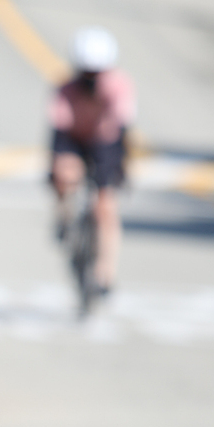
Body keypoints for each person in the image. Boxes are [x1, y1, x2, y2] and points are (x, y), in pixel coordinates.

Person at [48, 27, 136, 299]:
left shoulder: (119, 87)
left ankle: (104, 273)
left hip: (106, 143)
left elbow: (121, 130)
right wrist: (59, 169)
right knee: (65, 173)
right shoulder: (66, 89)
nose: (91, 79)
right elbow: (58, 132)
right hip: (74, 139)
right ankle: (64, 217)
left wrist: (120, 169)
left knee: (105, 207)